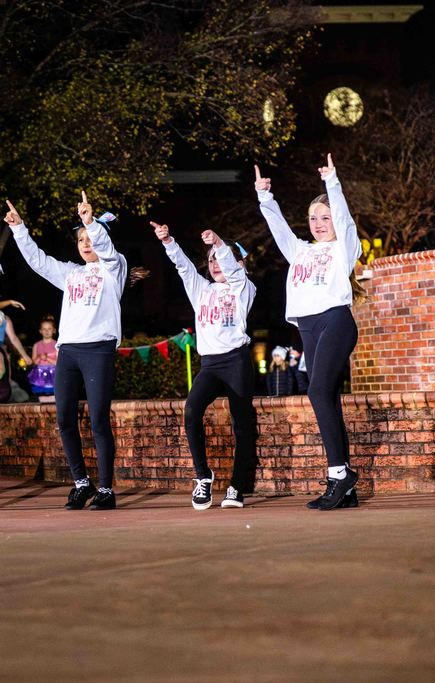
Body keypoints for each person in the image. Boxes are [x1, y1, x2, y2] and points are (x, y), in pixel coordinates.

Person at [6, 193, 126, 510]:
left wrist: (90, 222)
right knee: (64, 419)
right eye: (81, 239)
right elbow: (38, 261)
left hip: (98, 349)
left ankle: (106, 489)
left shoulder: (114, 268)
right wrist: (19, 229)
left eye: (91, 238)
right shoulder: (71, 273)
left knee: (98, 420)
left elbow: (107, 249)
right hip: (69, 351)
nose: (86, 244)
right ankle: (81, 483)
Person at [255, 155, 362, 510]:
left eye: (325, 217)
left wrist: (332, 183)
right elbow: (280, 230)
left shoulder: (344, 248)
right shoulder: (299, 251)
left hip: (335, 321)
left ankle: (339, 474)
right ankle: (345, 487)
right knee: (327, 398)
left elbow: (345, 221)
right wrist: (265, 198)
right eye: (313, 218)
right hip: (309, 327)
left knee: (316, 391)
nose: (319, 224)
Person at [152, 222, 258, 509]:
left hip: (236, 360)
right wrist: (169, 242)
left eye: (220, 258)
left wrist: (220, 245)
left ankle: (237, 486)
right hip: (210, 364)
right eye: (210, 260)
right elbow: (184, 268)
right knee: (191, 410)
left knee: (241, 423)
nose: (215, 264)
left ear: (239, 263)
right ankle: (203, 476)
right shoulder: (202, 289)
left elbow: (233, 270)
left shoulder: (243, 288)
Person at [27, 316, 58, 401]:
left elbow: (58, 363)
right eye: (44, 329)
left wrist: (47, 358)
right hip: (40, 375)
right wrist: (39, 357)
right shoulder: (36, 345)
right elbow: (34, 362)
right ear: (40, 331)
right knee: (42, 397)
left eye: (49, 329)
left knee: (53, 397)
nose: (47, 331)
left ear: (54, 330)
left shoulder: (57, 344)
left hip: (53, 374)